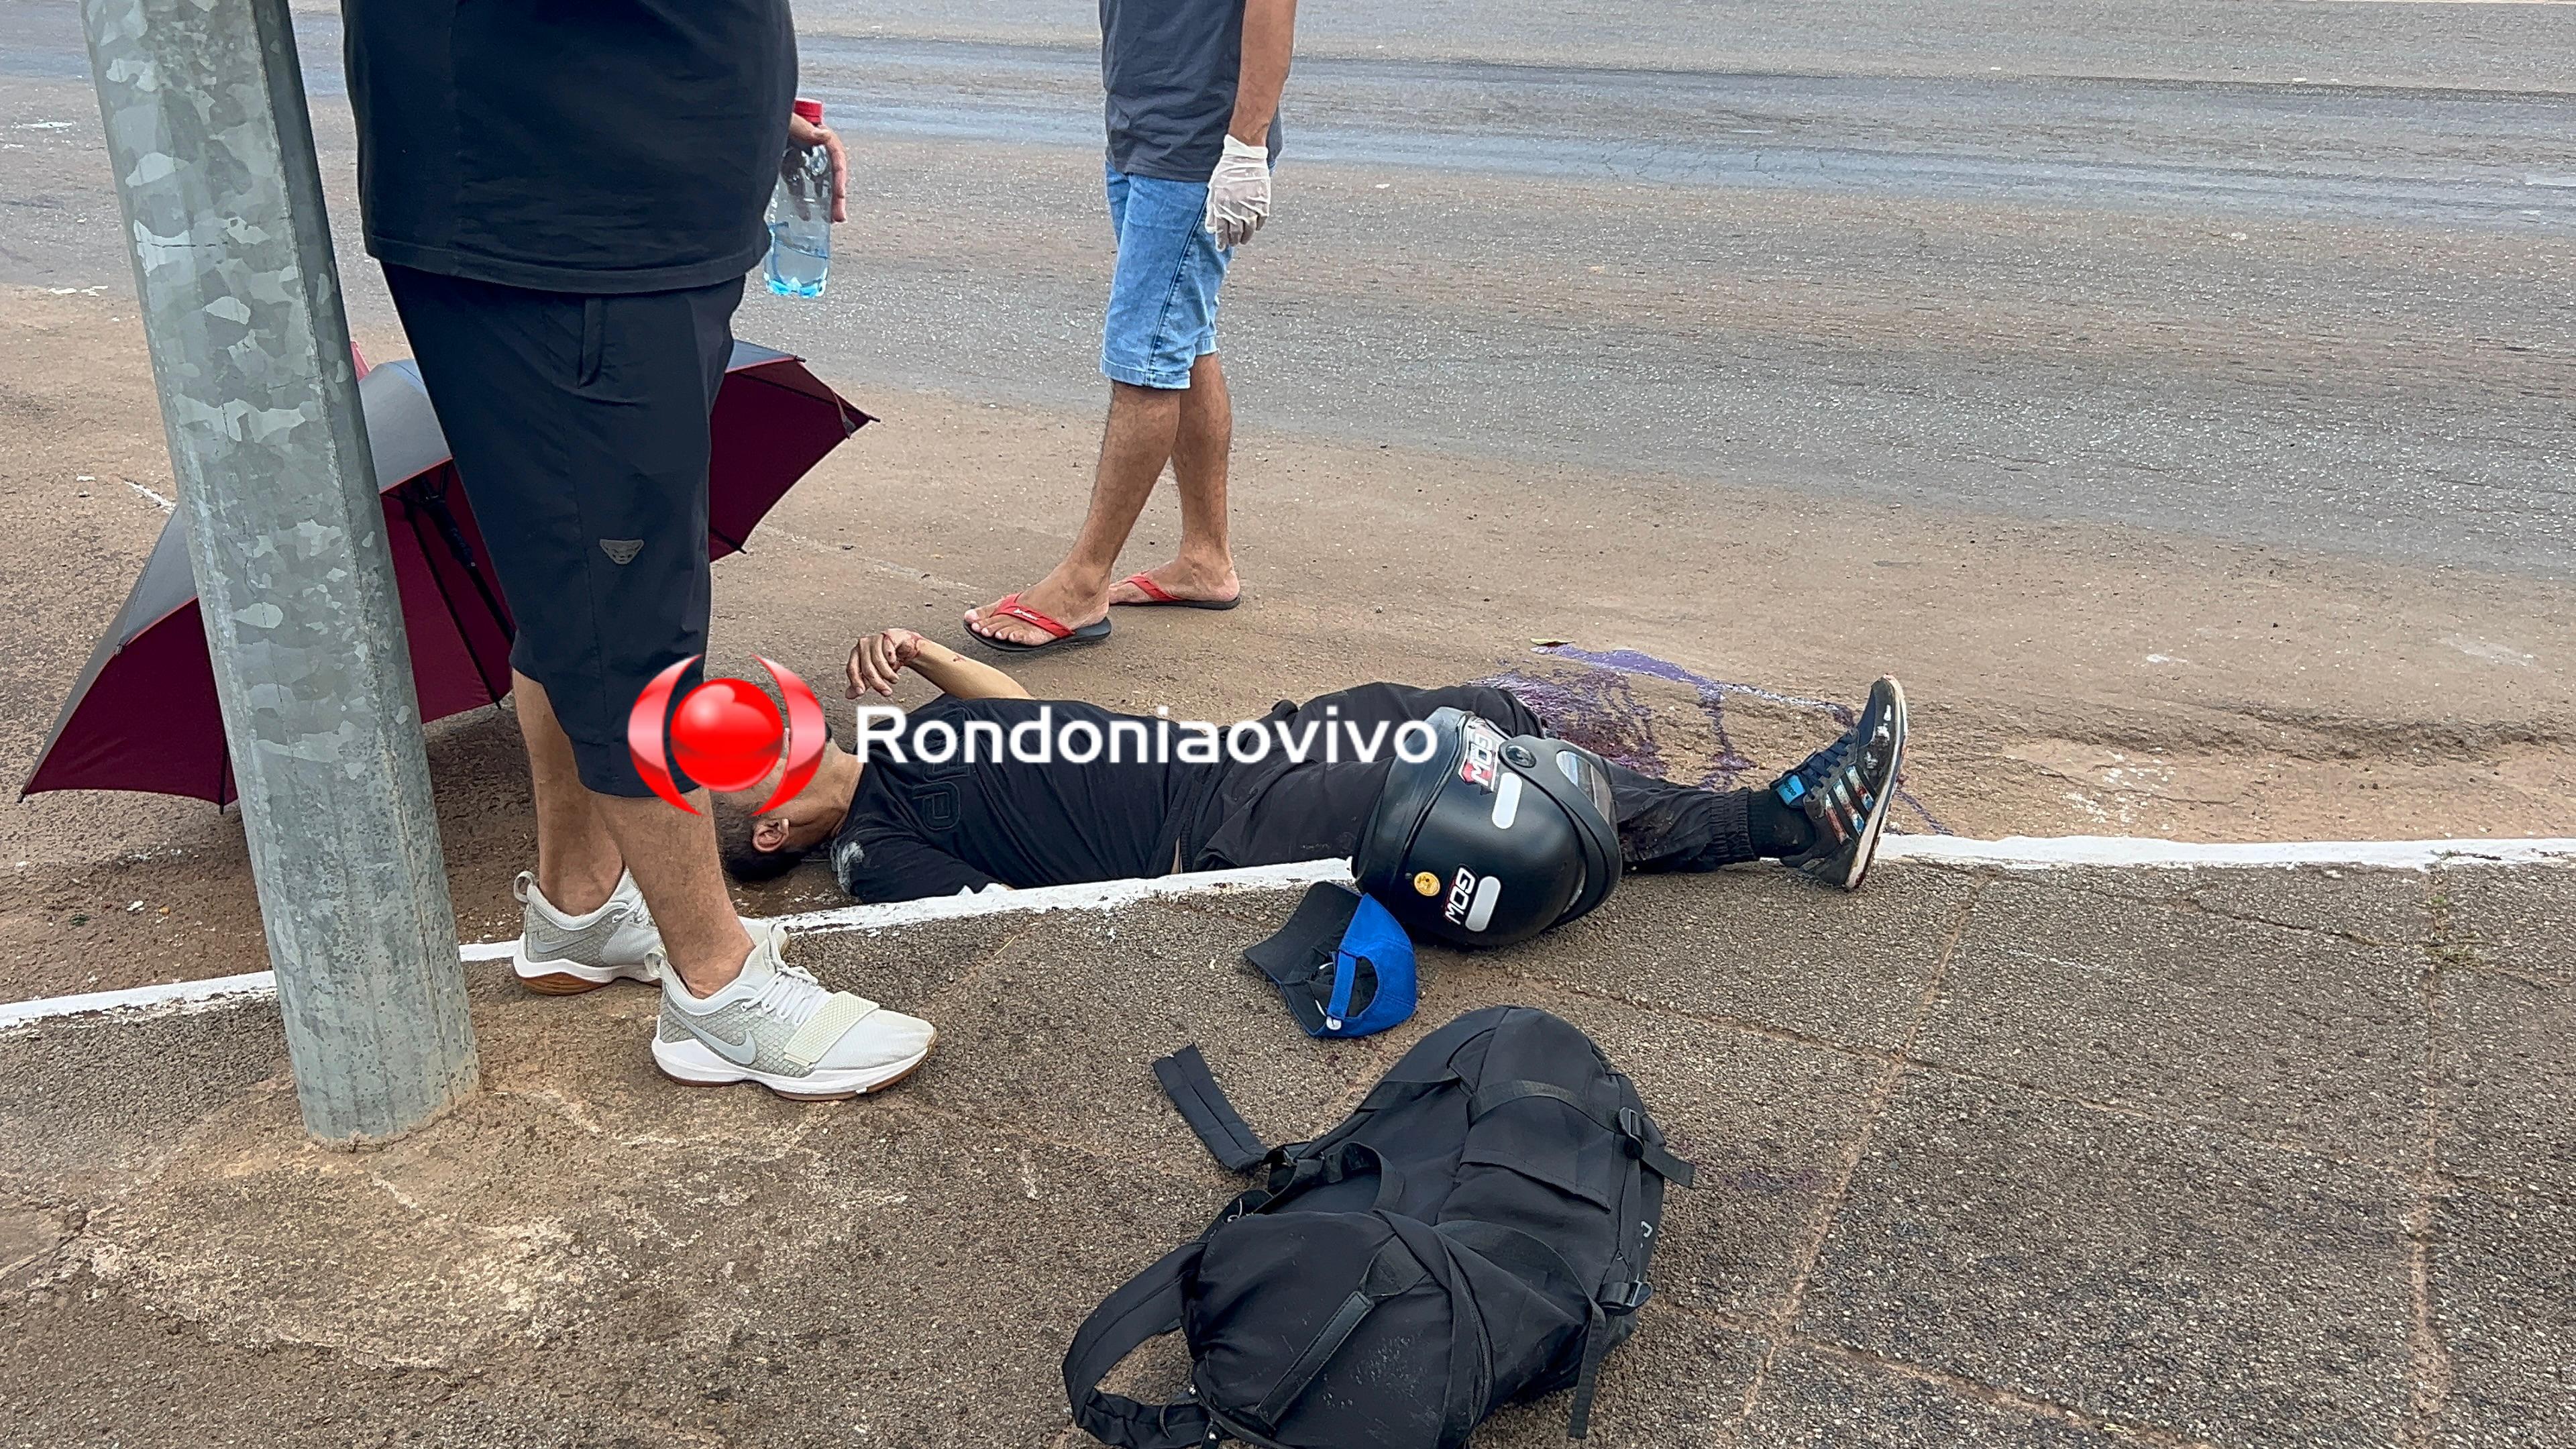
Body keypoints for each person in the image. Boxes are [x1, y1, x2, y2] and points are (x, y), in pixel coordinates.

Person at [343, 1, 934, 1101]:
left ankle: (578, 910)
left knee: (582, 571)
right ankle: (716, 991)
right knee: (629, 612)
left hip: (635, 181)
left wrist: (748, 117)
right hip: (566, 210)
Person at [711, 629, 1909, 908]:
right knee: (1480, 790)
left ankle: (1734, 821)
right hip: (1216, 831)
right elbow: (997, 913)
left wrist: (926, 656)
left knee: (1482, 710)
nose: (801, 730)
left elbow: (1031, 712)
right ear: (776, 829)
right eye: (779, 756)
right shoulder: (873, 853)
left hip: (1247, 753)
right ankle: (1786, 820)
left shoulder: (899, 751)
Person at [959, 0, 1298, 651]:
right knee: (1184, 339)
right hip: (1143, 130)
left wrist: (1246, 144)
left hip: (1196, 145)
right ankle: (1206, 559)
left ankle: (1084, 582)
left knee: (1146, 358)